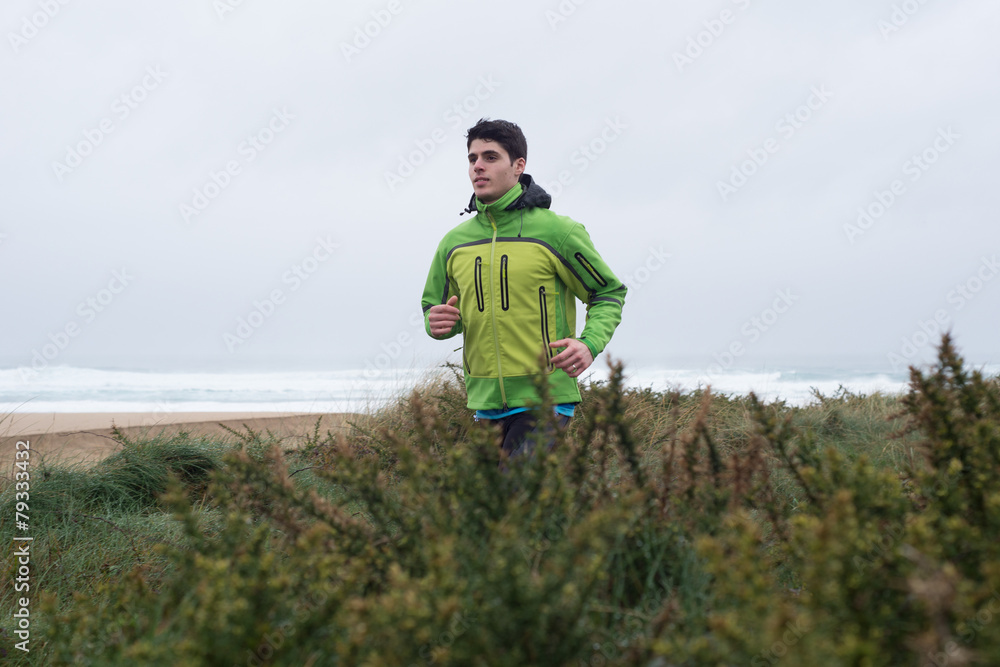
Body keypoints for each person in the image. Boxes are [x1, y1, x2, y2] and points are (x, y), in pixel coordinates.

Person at [421, 118, 626, 461]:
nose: (478, 167)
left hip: (545, 398)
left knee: (510, 494)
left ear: (519, 166)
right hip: (485, 404)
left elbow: (607, 293)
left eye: (490, 157)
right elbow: (436, 309)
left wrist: (590, 344)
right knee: (488, 510)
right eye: (472, 159)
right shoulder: (454, 243)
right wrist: (437, 322)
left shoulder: (557, 232)